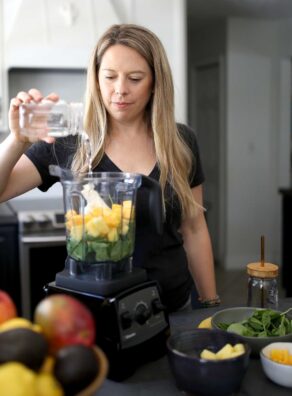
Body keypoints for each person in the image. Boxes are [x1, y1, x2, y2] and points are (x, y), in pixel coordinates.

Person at [0, 23, 219, 312]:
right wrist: (17, 140)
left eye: (135, 78)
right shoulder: (68, 140)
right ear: (96, 79)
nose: (120, 90)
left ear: (155, 83)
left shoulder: (181, 142)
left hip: (172, 306)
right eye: (110, 77)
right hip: (93, 311)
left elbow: (193, 228)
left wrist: (210, 303)